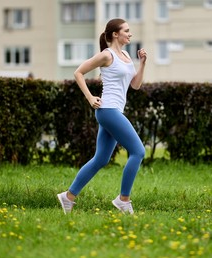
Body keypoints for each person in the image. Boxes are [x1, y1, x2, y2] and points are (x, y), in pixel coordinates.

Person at [57, 18, 147, 215]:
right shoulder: (106, 55)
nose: (130, 34)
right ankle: (124, 199)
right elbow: (78, 72)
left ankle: (68, 197)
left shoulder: (125, 55)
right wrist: (90, 98)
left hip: (114, 112)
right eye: (127, 30)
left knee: (101, 159)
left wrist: (142, 64)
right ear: (115, 34)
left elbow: (136, 85)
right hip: (108, 110)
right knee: (138, 152)